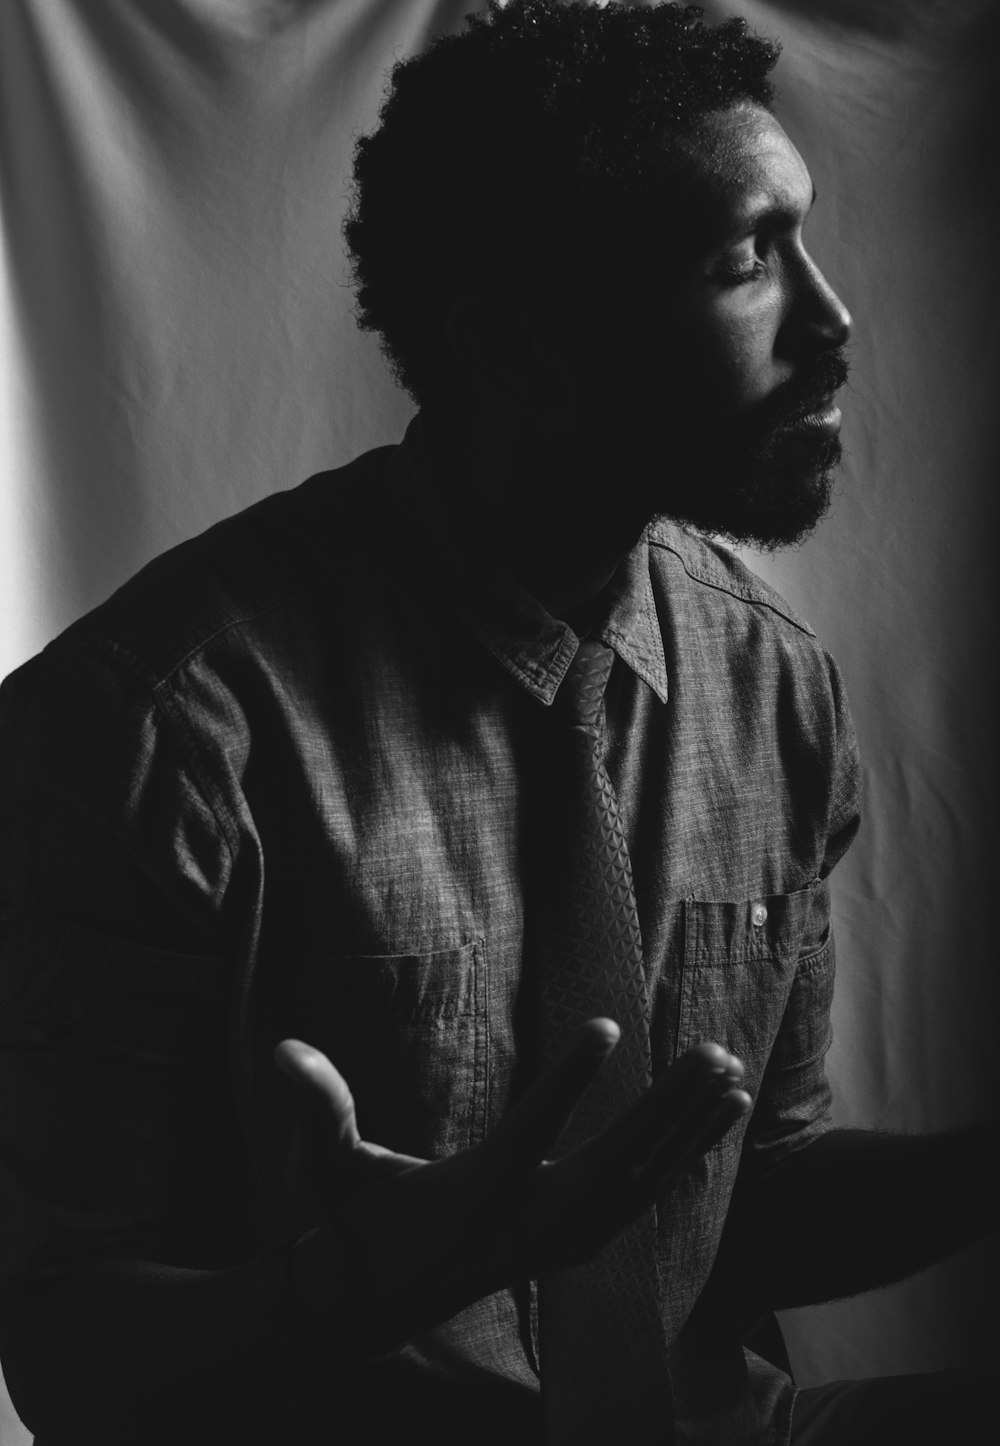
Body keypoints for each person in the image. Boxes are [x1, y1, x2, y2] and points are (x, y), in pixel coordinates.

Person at [0, 2, 995, 1442]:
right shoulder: (154, 736)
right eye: (745, 263)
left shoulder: (771, 685)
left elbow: (750, 1198)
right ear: (516, 350)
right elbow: (64, 1356)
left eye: (806, 241)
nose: (834, 325)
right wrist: (347, 1290)